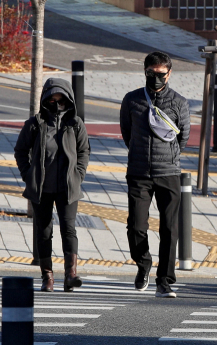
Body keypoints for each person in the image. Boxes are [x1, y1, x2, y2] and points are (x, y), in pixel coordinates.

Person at [120, 51, 190, 298]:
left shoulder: (179, 102)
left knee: (170, 228)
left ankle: (165, 280)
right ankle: (143, 263)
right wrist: (140, 153)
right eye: (151, 73)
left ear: (169, 73)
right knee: (136, 225)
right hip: (138, 172)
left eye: (161, 74)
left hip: (169, 172)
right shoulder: (131, 100)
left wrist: (168, 158)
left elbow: (183, 137)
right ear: (145, 71)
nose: (156, 78)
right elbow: (126, 133)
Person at [14, 78, 90, 293]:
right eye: (51, 100)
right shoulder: (35, 124)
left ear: (69, 101)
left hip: (68, 188)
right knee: (44, 231)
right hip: (42, 188)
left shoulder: (75, 124)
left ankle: (71, 275)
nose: (56, 105)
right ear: (44, 100)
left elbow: (84, 151)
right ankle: (47, 276)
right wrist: (28, 175)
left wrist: (79, 174)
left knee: (69, 229)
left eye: (61, 101)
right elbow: (21, 151)